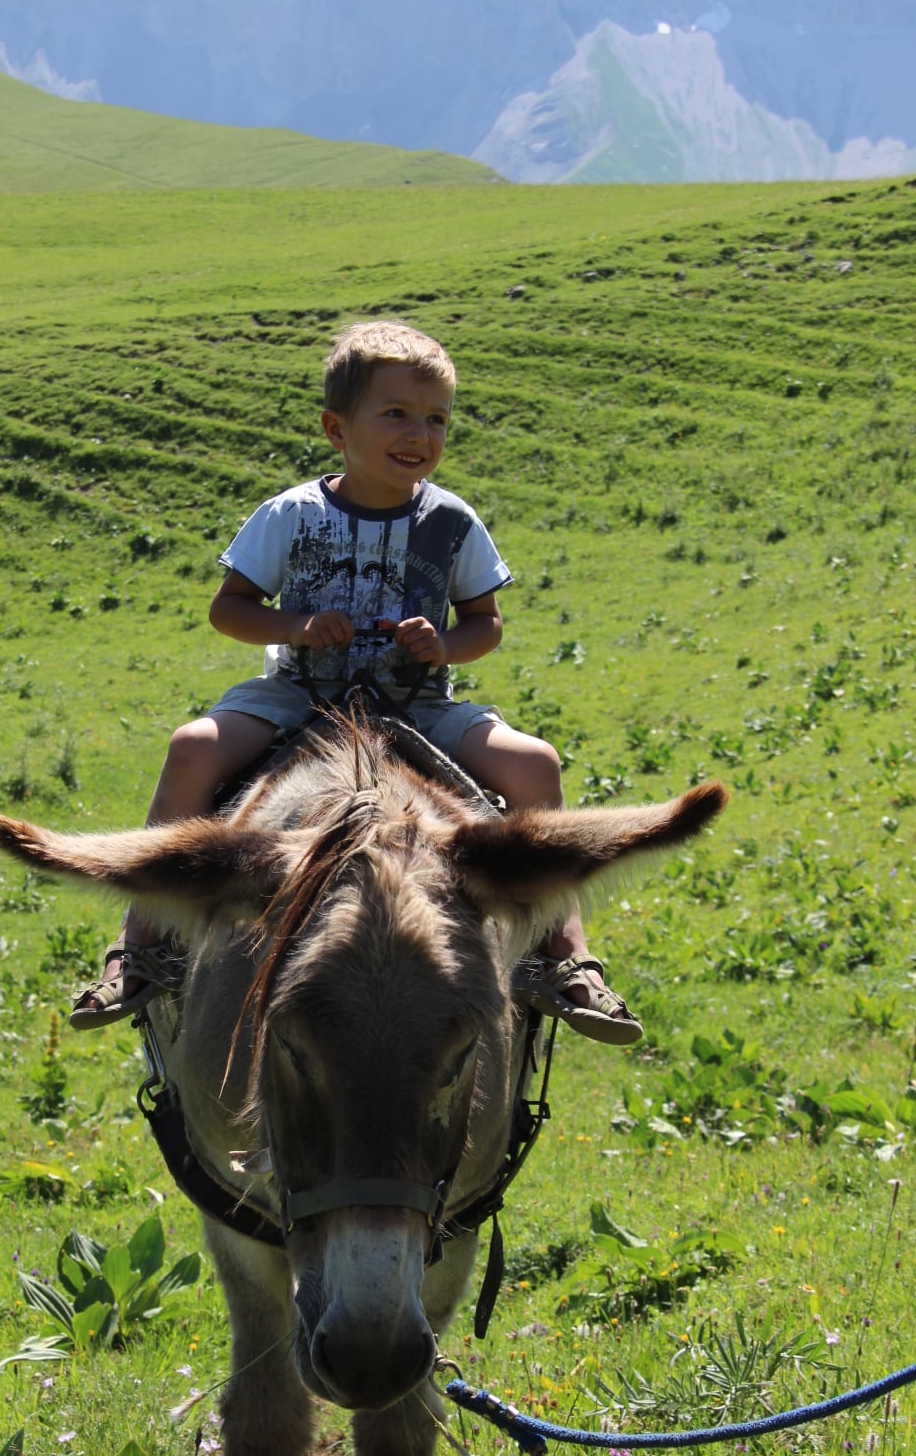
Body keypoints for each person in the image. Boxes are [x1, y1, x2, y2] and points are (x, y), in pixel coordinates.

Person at [70, 320, 641, 1045]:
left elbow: (485, 622)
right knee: (192, 748)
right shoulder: (291, 514)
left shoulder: (453, 522)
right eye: (396, 414)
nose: (419, 435)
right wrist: (299, 627)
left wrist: (445, 646)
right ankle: (143, 942)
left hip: (417, 701)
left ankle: (562, 955)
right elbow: (230, 610)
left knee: (535, 763)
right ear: (337, 428)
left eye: (436, 419)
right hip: (297, 695)